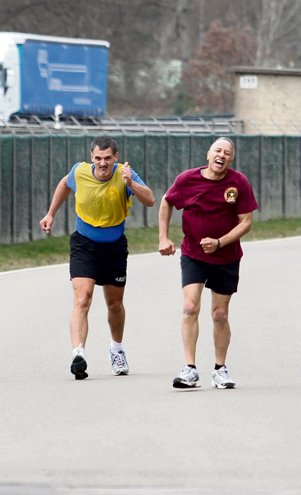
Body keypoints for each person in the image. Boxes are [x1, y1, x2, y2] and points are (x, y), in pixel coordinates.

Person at [40, 136, 155, 380]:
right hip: (84, 243)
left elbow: (150, 199)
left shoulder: (125, 173)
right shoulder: (79, 172)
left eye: (107, 159)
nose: (103, 163)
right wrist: (50, 214)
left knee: (114, 304)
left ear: (115, 157)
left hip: (114, 246)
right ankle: (77, 355)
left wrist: (130, 184)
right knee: (82, 298)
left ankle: (117, 350)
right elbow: (64, 184)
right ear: (92, 157)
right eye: (98, 158)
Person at [158, 137, 258, 389]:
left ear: (231, 160)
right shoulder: (187, 180)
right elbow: (167, 201)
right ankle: (189, 369)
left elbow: (246, 222)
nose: (221, 155)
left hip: (226, 256)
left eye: (227, 153)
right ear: (208, 154)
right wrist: (163, 237)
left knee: (220, 315)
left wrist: (220, 242)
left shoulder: (239, 183)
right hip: (193, 253)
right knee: (190, 307)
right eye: (217, 150)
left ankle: (220, 369)